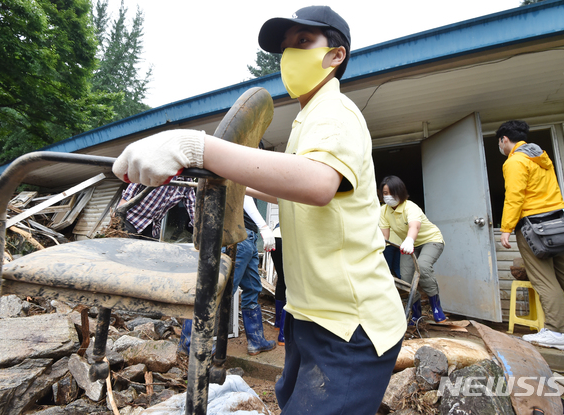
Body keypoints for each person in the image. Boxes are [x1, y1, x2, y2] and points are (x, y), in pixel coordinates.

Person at [112, 6, 406, 414]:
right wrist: (200, 173)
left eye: (303, 42)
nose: (290, 56)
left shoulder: (335, 113)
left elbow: (318, 184)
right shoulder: (308, 119)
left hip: (351, 326)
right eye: (286, 48)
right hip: (309, 314)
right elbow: (287, 187)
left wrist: (199, 146)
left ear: (336, 55)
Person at [496, 120, 564, 351]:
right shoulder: (540, 157)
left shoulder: (515, 161)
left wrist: (506, 228)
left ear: (505, 140)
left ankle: (558, 331)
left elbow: (515, 197)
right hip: (558, 224)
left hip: (534, 228)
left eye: (500, 142)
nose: (501, 146)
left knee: (544, 279)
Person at [379, 175, 447, 324]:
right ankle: (416, 313)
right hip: (410, 245)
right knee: (405, 275)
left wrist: (409, 240)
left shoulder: (410, 206)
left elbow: (414, 226)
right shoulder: (384, 211)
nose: (388, 197)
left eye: (392, 192)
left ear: (400, 192)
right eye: (385, 193)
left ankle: (436, 307)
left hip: (430, 240)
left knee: (422, 266)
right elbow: (385, 236)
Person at [233, 195, 277, 355]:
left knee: (252, 289)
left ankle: (256, 342)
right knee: (220, 293)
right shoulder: (238, 171)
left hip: (248, 238)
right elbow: (243, 194)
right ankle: (191, 342)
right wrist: (264, 226)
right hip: (238, 236)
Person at [117, 178, 195, 241]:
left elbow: (193, 206)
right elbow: (135, 184)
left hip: (153, 226)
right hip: (131, 219)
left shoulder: (187, 182)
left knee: (150, 257)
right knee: (125, 253)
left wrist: (199, 228)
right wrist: (118, 215)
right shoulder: (160, 167)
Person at [270, 223, 286, 346]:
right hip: (288, 237)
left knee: (281, 280)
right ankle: (283, 334)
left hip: (275, 236)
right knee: (291, 284)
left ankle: (278, 323)